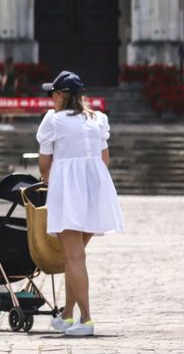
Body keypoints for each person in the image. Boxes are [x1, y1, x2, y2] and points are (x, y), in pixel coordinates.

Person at [36, 70, 124, 337]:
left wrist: (55, 185)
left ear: (62, 95)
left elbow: (44, 164)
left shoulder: (54, 120)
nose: (51, 97)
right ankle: (67, 315)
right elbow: (104, 158)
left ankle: (85, 318)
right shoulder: (98, 119)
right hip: (96, 190)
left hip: (69, 192)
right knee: (75, 257)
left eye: (53, 92)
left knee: (73, 257)